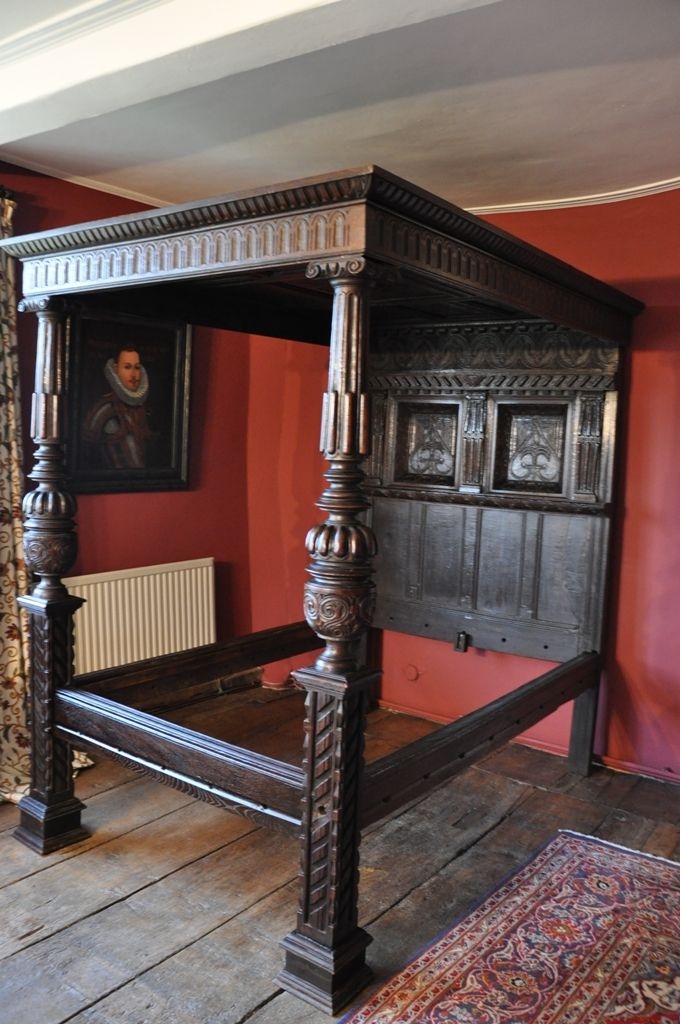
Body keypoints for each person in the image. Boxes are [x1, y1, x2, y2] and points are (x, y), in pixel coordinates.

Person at [82, 348, 153, 469]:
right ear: (116, 369)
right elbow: (87, 449)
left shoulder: (143, 410)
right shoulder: (105, 409)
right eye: (127, 367)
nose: (133, 375)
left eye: (136, 368)